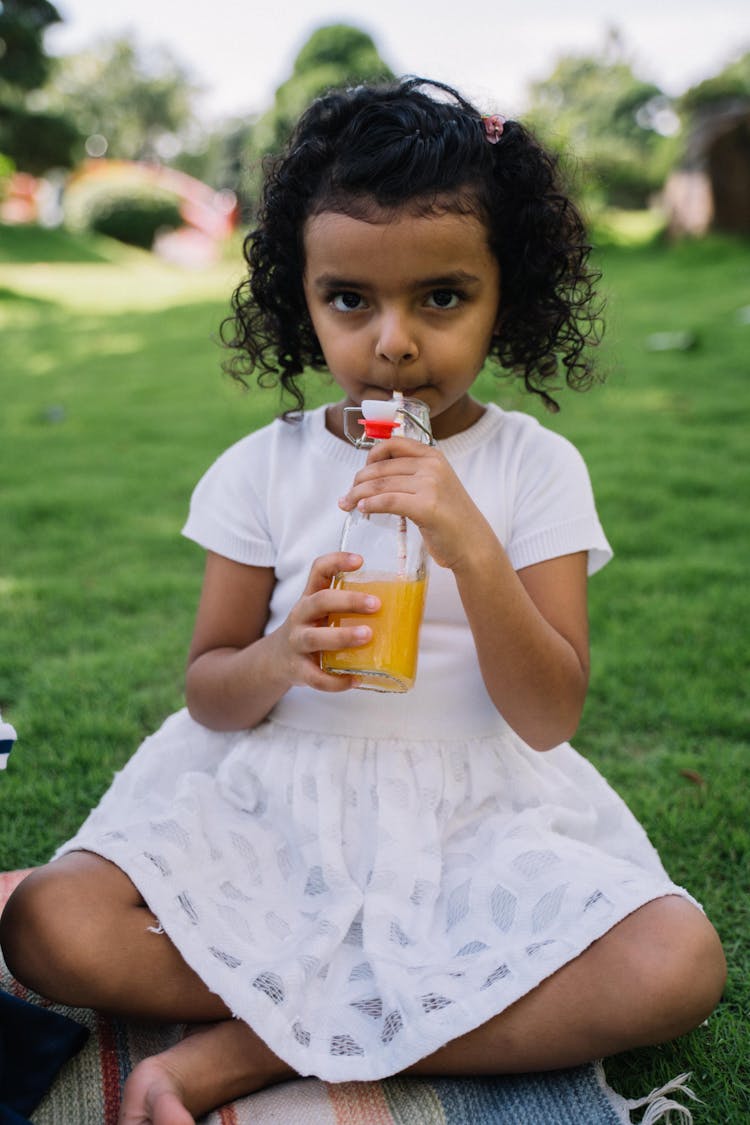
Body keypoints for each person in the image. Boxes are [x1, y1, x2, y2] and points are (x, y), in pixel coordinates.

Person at [0, 77, 725, 1125]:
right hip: (277, 806)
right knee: (52, 928)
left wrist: (469, 542)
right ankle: (392, 1010)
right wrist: (280, 655)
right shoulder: (262, 469)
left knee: (675, 963)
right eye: (350, 299)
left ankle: (247, 1045)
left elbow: (548, 713)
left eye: (441, 297)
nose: (393, 342)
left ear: (503, 293)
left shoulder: (534, 468)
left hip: (471, 811)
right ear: (299, 299)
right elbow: (210, 693)